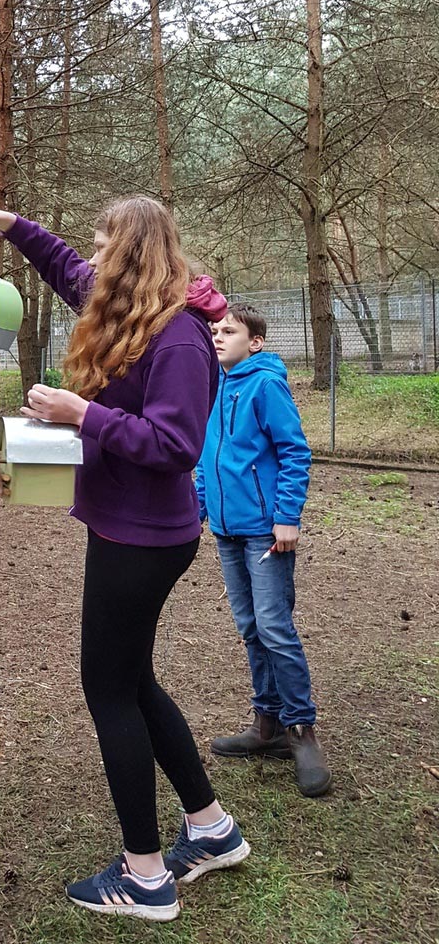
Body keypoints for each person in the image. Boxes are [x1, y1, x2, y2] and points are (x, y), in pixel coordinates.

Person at [0, 197, 248, 922]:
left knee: (109, 689)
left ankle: (146, 876)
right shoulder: (131, 309)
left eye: (102, 244)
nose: (89, 255)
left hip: (145, 538)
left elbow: (175, 446)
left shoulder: (180, 337)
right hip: (127, 528)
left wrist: (80, 414)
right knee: (133, 680)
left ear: (130, 253)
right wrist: (5, 222)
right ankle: (211, 829)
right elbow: (63, 267)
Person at [196, 305, 331, 797]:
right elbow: (205, 454)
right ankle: (266, 725)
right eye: (214, 330)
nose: (217, 337)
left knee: (275, 626)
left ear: (254, 341)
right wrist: (199, 506)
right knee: (250, 627)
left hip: (265, 532)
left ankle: (302, 731)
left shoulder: (265, 383)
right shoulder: (215, 383)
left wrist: (288, 517)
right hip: (227, 532)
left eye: (228, 331)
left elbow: (294, 451)